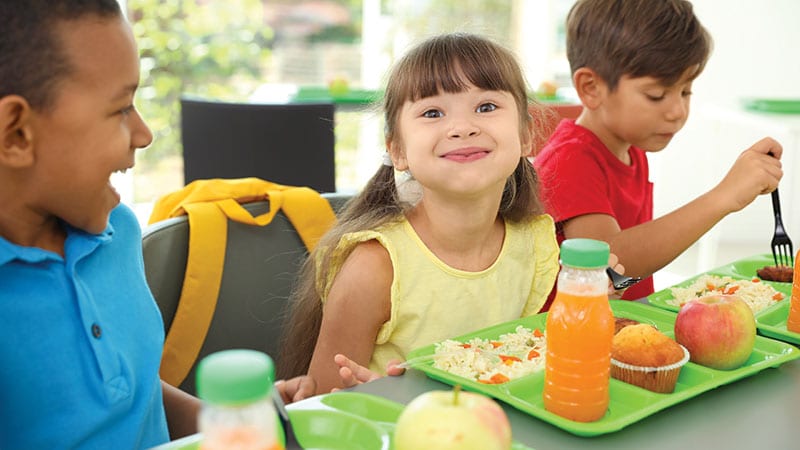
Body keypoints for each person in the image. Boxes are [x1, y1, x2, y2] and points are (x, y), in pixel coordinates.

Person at [0, 2, 314, 448]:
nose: (145, 134)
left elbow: (137, 397)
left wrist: (227, 422)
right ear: (16, 133)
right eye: (120, 109)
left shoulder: (118, 232)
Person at [278, 32, 562, 395]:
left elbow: (514, 368)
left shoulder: (533, 244)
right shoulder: (375, 268)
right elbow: (318, 407)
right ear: (398, 150)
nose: (463, 127)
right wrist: (390, 400)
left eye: (486, 107)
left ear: (525, 135)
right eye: (432, 112)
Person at [533, 0, 783, 306]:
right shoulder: (570, 160)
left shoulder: (632, 151)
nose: (677, 111)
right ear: (591, 87)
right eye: (657, 95)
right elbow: (611, 267)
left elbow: (632, 279)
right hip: (573, 337)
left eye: (685, 91)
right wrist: (723, 197)